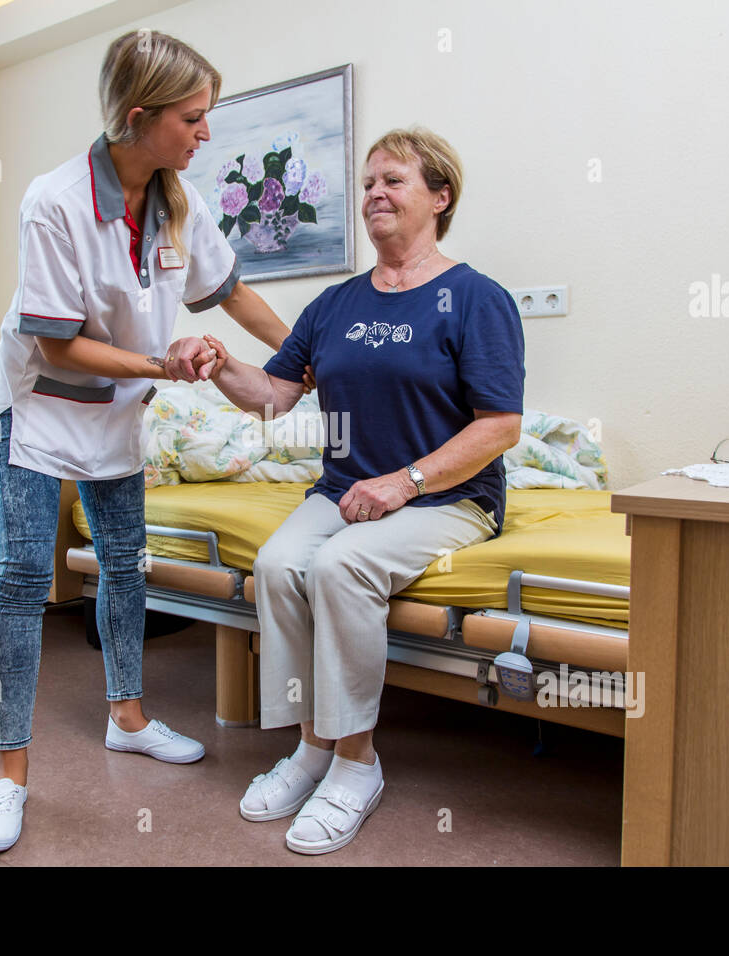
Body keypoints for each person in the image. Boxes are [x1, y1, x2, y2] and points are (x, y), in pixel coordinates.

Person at [0, 30, 306, 853]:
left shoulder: (174, 204)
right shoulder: (54, 201)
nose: (205, 132)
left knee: (126, 562)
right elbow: (56, 344)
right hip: (38, 406)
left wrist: (313, 358)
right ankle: (8, 775)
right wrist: (165, 361)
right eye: (193, 117)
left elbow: (236, 297)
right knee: (21, 578)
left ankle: (127, 716)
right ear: (138, 114)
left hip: (115, 407)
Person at [202, 127, 526, 854]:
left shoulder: (476, 298)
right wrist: (219, 362)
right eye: (369, 183)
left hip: (450, 497)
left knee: (341, 565)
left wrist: (403, 482)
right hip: (346, 486)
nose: (375, 194)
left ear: (440, 198)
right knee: (280, 564)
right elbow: (272, 398)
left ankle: (356, 764)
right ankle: (312, 747)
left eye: (395, 182)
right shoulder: (334, 305)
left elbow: (500, 426)